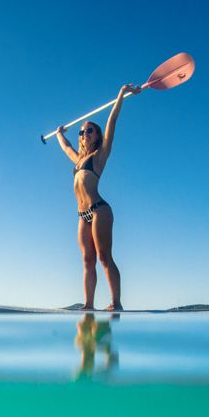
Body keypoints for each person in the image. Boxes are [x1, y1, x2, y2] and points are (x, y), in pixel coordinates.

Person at [55, 83, 140, 311]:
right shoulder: (78, 160)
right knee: (87, 260)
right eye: (81, 131)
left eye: (89, 130)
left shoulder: (100, 155)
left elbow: (112, 121)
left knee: (104, 257)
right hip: (82, 215)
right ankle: (89, 304)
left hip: (99, 209)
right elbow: (66, 147)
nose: (84, 133)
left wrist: (121, 95)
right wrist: (59, 135)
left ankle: (116, 302)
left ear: (97, 135)